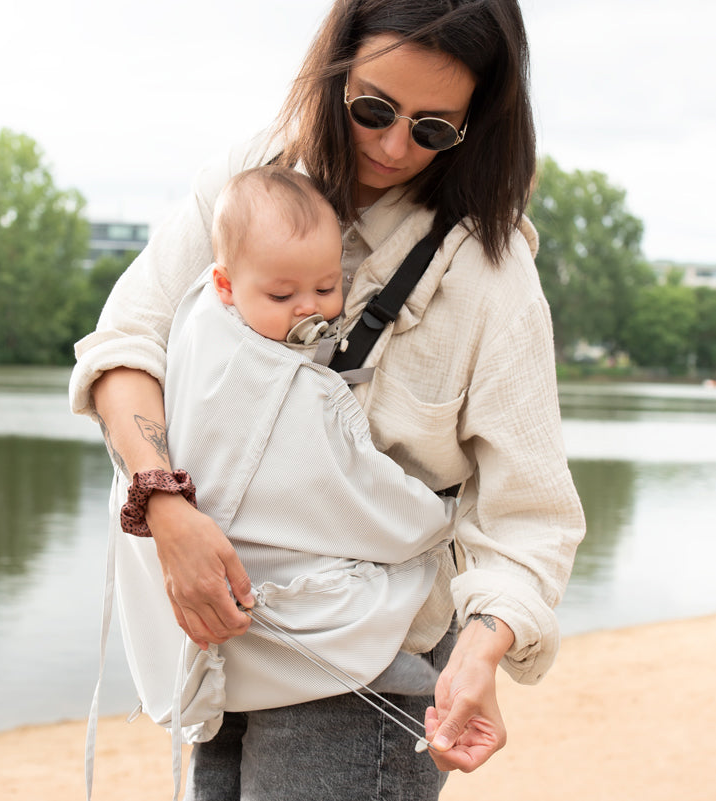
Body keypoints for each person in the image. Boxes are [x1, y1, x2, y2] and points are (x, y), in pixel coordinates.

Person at [70, 1, 586, 798]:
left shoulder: (493, 278)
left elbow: (528, 518)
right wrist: (164, 507)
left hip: (367, 671)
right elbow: (124, 347)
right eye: (372, 109)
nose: (390, 146)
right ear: (334, 72)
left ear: (476, 123)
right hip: (219, 642)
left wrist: (481, 651)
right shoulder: (249, 177)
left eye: (431, 128)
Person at [114, 164, 461, 748]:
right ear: (224, 287)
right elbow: (343, 476)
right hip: (215, 544)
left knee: (306, 573)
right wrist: (435, 522)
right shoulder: (210, 339)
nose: (310, 310)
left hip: (278, 576)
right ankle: (358, 651)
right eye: (282, 295)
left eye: (327, 288)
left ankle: (362, 659)